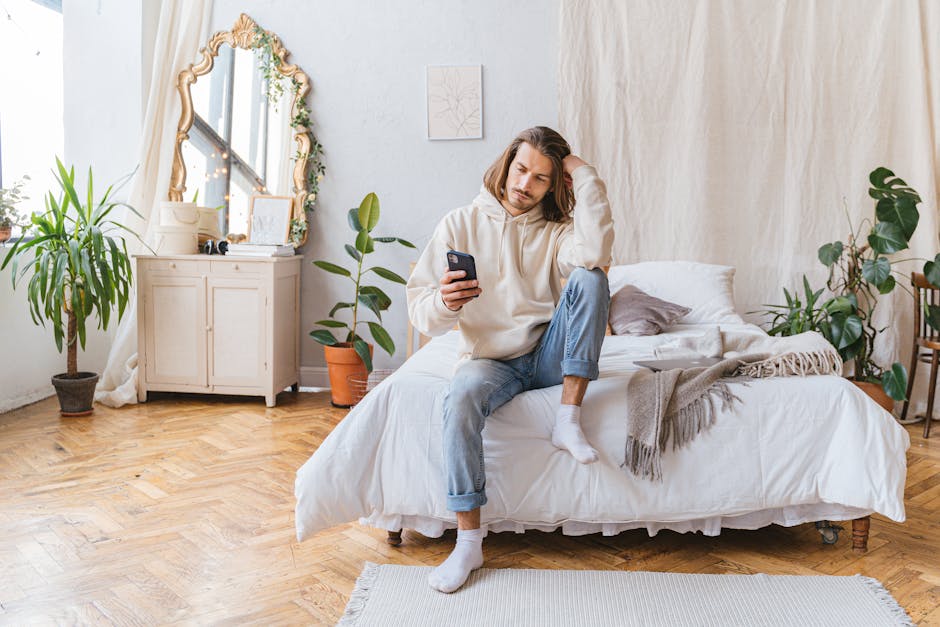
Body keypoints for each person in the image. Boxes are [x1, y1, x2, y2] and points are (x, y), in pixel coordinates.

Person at [406, 126, 615, 593]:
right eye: (521, 170)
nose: (525, 185)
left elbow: (597, 253)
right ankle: (468, 542)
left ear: (554, 185)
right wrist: (446, 302)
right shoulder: (458, 224)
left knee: (592, 278)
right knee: (458, 396)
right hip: (489, 363)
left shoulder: (558, 233)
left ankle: (568, 416)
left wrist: (584, 174)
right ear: (506, 164)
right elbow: (422, 314)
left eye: (541, 178)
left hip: (547, 355)